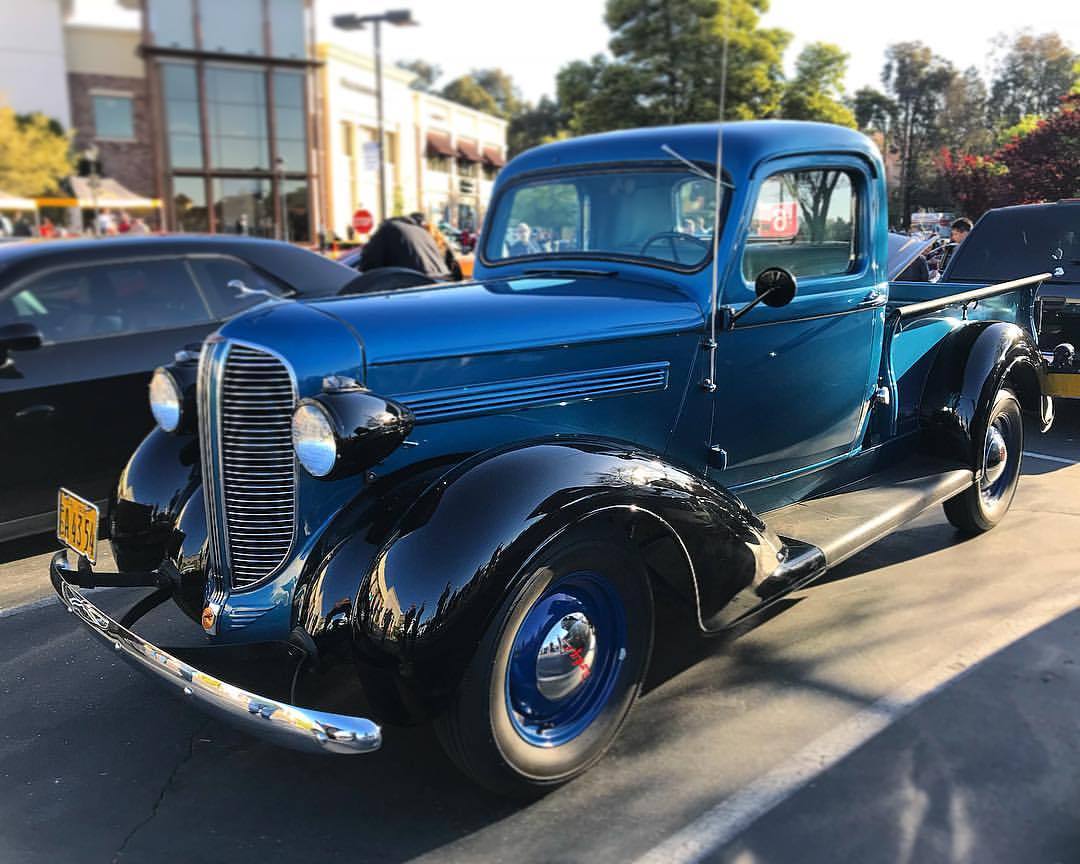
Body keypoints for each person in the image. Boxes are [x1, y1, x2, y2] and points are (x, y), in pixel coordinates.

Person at [358, 214, 455, 279]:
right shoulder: (423, 233)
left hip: (412, 289)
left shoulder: (388, 230)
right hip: (438, 285)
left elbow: (367, 267)